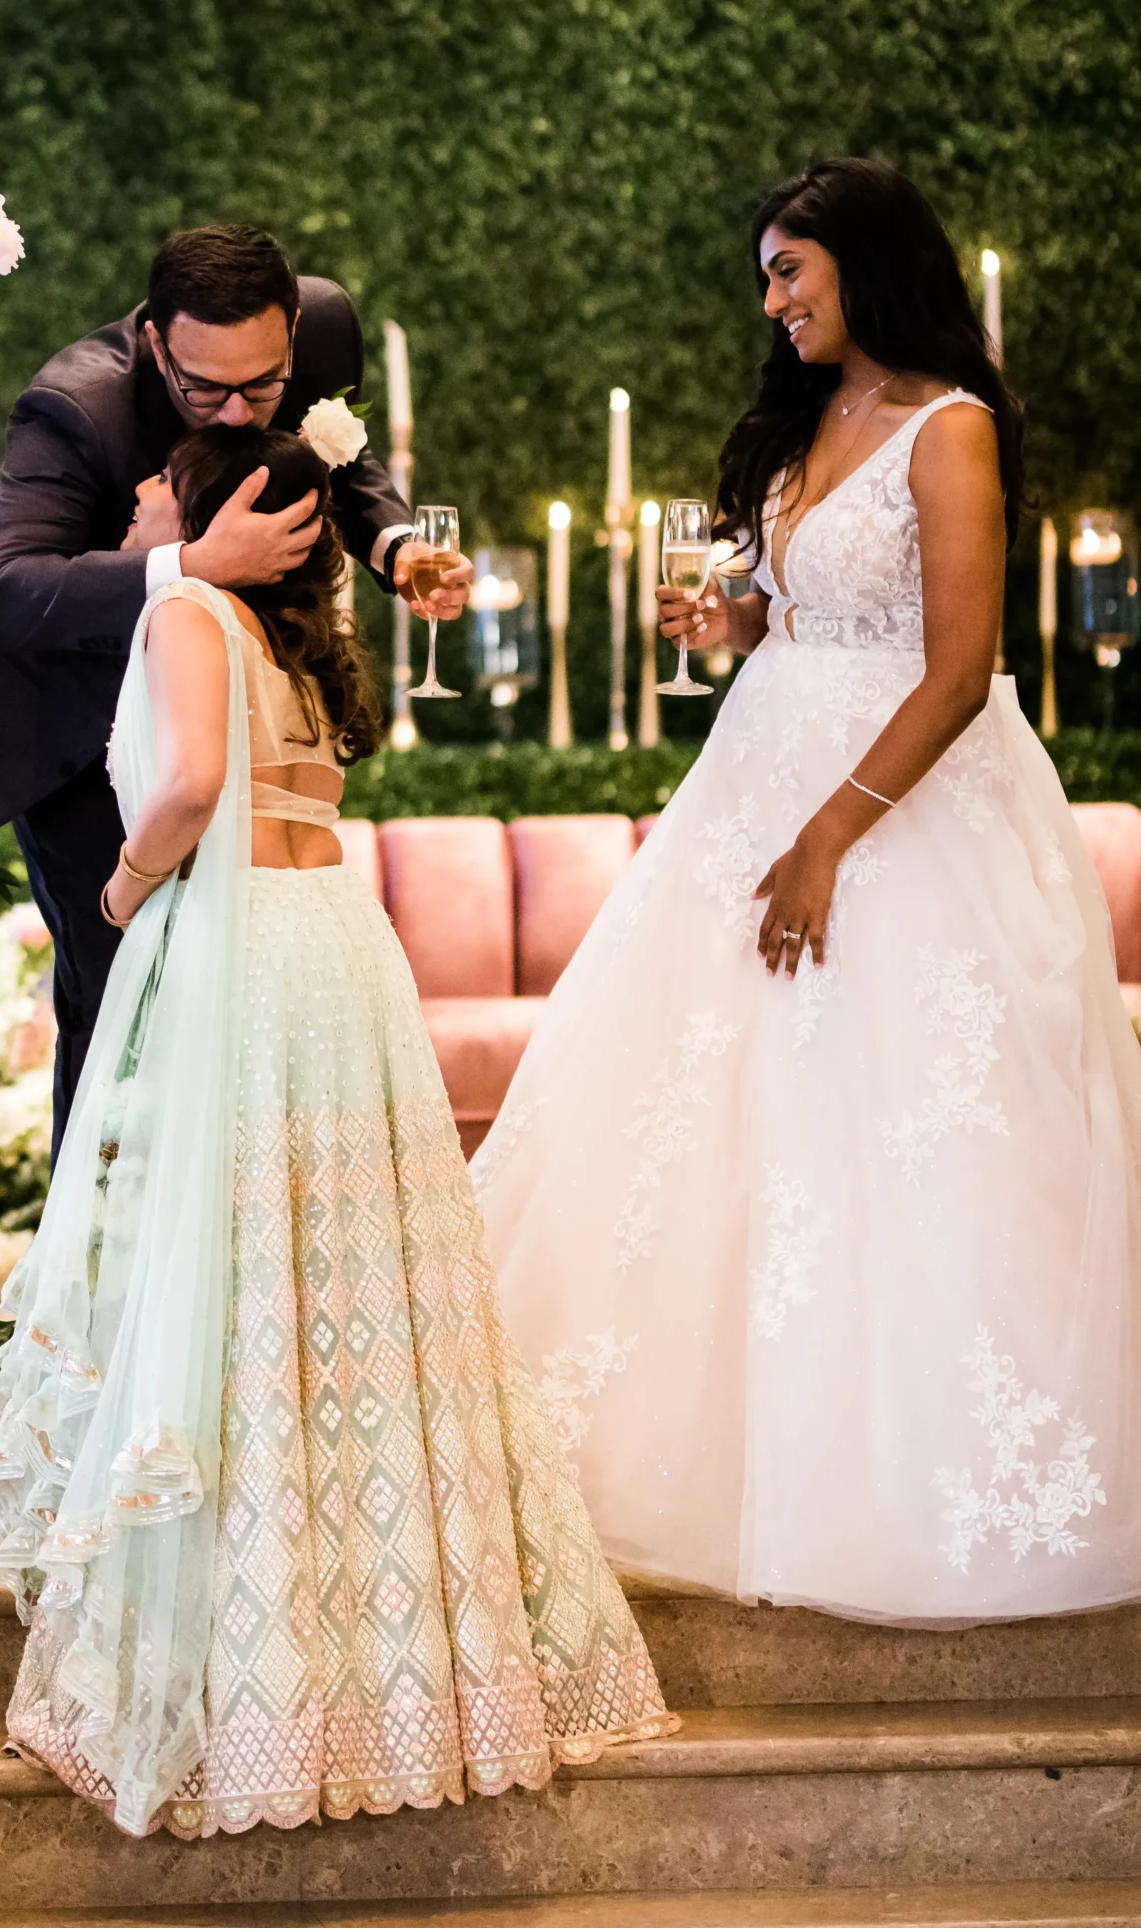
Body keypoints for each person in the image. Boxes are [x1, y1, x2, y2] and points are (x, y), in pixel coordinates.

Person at [0, 423, 673, 1840]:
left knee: (237, 1273)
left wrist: (117, 892)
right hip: (336, 946)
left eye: (162, 478)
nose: (141, 492)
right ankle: (412, 1638)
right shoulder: (291, 637)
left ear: (214, 502)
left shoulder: (186, 611)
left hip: (240, 948)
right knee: (356, 1276)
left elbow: (186, 789)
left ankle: (260, 1648)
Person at [472, 159, 1141, 1624]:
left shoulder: (951, 429)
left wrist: (834, 832)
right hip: (752, 785)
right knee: (712, 1102)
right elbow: (804, 614)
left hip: (902, 813)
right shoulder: (808, 417)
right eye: (766, 276)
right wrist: (730, 617)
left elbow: (956, 671)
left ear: (864, 262)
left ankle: (911, 1473)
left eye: (789, 270)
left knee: (907, 1114)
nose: (770, 300)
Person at [0, 224, 471, 1156]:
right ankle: (100, 1234)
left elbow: (339, 462)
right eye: (203, 389)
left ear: (292, 331)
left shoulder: (320, 333)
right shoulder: (74, 407)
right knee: (123, 997)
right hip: (75, 719)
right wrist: (191, 565)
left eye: (261, 386)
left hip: (216, 693)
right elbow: (3, 593)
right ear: (154, 342)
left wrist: (395, 548)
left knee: (229, 996)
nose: (234, 414)